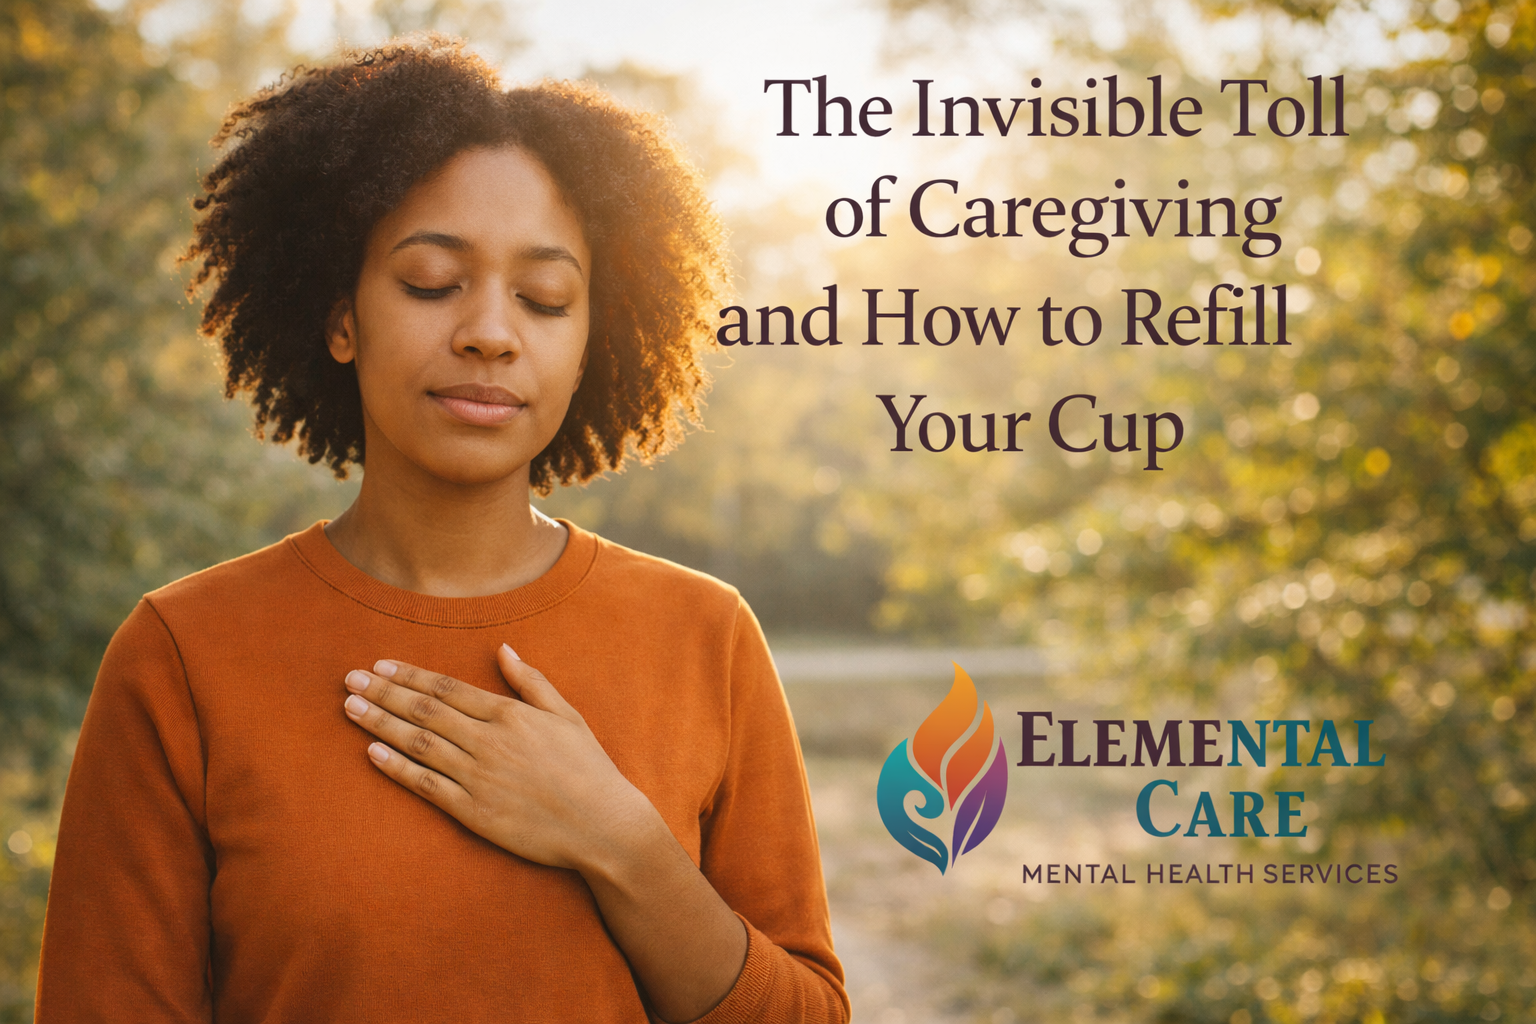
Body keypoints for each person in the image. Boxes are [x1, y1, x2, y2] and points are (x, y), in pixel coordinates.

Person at [35, 36, 848, 1024]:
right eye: (430, 281)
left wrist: (620, 841)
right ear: (341, 318)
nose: (490, 333)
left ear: (591, 337)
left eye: (545, 299)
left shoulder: (704, 636)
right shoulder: (183, 655)